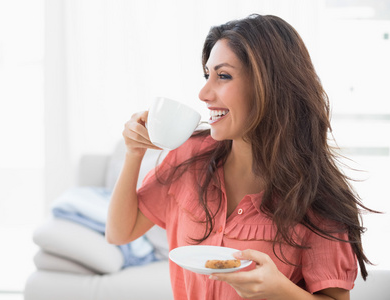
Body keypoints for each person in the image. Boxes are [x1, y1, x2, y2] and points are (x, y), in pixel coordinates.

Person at [106, 14, 374, 300]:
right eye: (207, 75)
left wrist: (280, 291)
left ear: (269, 86)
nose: (204, 93)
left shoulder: (316, 197)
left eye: (223, 76)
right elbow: (119, 233)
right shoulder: (189, 156)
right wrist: (134, 153)